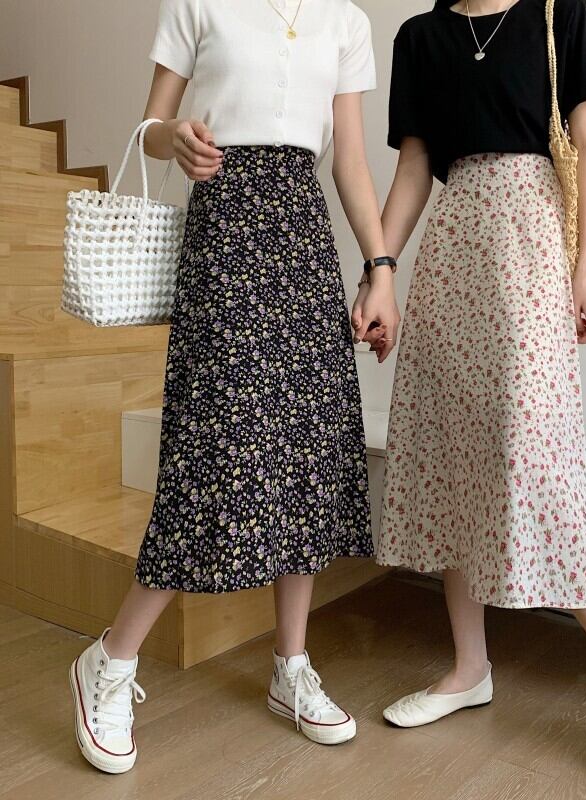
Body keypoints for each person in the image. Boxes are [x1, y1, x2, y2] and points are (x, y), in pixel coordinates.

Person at [69, 0, 400, 774]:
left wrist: (380, 268)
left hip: (302, 238)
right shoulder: (199, 3)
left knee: (308, 450)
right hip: (223, 231)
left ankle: (291, 666)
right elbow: (150, 127)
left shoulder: (346, 23)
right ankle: (110, 659)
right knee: (211, 451)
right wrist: (176, 138)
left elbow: (350, 160)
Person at [357, 1, 586, 798]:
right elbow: (416, 165)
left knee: (538, 464)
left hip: (531, 242)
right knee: (454, 453)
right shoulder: (421, 38)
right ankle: (469, 667)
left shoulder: (559, 11)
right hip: (453, 252)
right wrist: (380, 272)